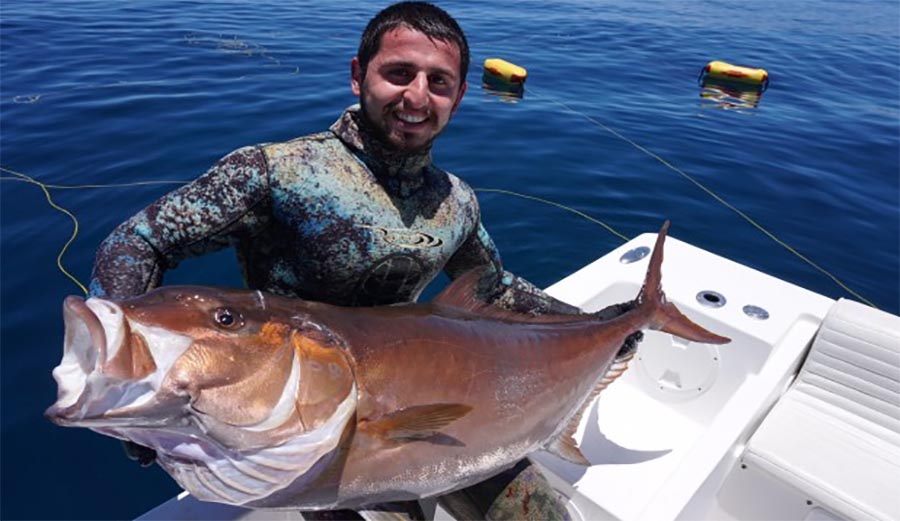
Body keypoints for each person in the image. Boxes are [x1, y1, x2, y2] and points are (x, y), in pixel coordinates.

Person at [90, 2, 639, 519]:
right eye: (399, 73)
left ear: (459, 96)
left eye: (438, 82)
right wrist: (126, 372)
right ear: (358, 76)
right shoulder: (276, 172)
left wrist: (600, 323)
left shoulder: (454, 201)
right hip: (311, 435)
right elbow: (137, 242)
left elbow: (492, 287)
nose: (417, 97)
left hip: (432, 400)